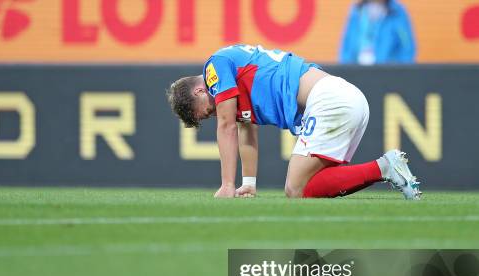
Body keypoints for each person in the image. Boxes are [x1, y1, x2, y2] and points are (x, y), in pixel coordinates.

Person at [165, 44, 421, 199]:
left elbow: (226, 125)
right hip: (343, 98)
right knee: (310, 187)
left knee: (294, 188)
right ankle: (384, 168)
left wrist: (227, 185)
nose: (215, 114)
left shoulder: (216, 64)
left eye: (206, 112)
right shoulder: (235, 80)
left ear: (200, 91)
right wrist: (249, 184)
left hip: (330, 100)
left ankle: (385, 167)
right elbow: (245, 130)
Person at [339, 0, 416, 65]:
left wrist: (399, 73)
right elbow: (347, 45)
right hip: (357, 72)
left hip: (387, 74)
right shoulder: (357, 10)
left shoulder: (397, 11)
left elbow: (407, 47)